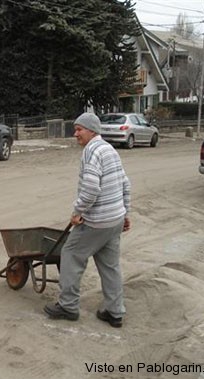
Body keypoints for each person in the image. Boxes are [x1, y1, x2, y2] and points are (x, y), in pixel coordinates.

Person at [44, 112, 131, 328]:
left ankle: (68, 306)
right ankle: (115, 312)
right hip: (114, 220)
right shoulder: (109, 149)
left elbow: (91, 188)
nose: (75, 134)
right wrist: (125, 212)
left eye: (79, 129)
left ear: (92, 130)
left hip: (97, 221)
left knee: (71, 253)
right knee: (110, 266)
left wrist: (77, 211)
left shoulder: (92, 151)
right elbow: (125, 184)